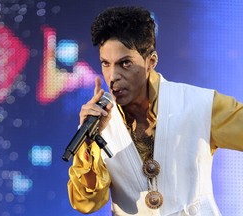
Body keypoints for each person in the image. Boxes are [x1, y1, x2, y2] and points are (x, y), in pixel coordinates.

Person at [66, 6, 243, 216]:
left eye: (125, 63)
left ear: (151, 61)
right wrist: (88, 142)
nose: (113, 76)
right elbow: (86, 203)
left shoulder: (199, 104)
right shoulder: (96, 124)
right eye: (106, 64)